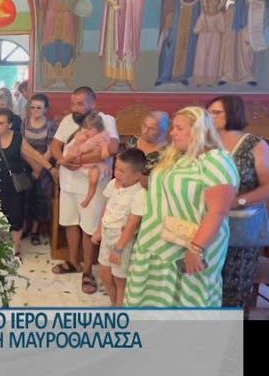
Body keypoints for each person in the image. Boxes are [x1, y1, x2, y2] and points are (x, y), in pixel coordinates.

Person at [125, 107, 239, 307]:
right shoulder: (179, 156)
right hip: (158, 243)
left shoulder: (216, 161)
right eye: (173, 127)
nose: (172, 133)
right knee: (154, 300)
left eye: (179, 128)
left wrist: (195, 249)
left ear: (199, 130)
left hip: (193, 246)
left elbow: (218, 212)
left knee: (187, 301)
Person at [50, 86, 119, 296]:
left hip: (93, 185)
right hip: (68, 182)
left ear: (93, 103)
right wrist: (62, 160)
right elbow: (55, 146)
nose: (75, 108)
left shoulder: (106, 120)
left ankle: (88, 270)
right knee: (70, 222)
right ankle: (73, 261)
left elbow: (112, 149)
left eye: (80, 104)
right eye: (73, 103)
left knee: (89, 228)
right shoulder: (67, 121)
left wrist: (78, 159)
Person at [207, 95, 269, 313]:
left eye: (216, 112)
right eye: (208, 113)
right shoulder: (205, 143)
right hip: (208, 223)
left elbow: (267, 186)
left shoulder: (254, 144)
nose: (210, 117)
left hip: (241, 226)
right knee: (206, 285)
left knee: (234, 289)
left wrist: (237, 201)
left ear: (233, 113)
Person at [0, 108, 56, 256]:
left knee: (15, 217)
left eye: (1, 123)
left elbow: (35, 155)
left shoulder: (18, 138)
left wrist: (50, 168)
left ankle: (15, 249)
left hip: (13, 186)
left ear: (10, 124)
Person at [92, 149, 148, 306]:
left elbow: (132, 224)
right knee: (104, 273)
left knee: (119, 278)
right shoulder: (113, 184)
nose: (117, 173)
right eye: (116, 168)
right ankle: (114, 303)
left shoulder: (139, 194)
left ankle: (119, 308)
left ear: (137, 175)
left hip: (121, 241)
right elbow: (107, 208)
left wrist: (119, 248)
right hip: (107, 235)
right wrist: (99, 229)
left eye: (122, 171)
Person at [99, 0, 145, 91]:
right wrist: (113, 3)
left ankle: (129, 78)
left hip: (129, 15)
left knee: (127, 43)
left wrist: (131, 0)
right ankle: (113, 77)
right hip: (115, 14)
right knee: (113, 44)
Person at [21, 93, 58, 245]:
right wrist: (33, 166)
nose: (35, 110)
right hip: (26, 164)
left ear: (45, 109)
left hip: (44, 165)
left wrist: (39, 168)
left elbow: (51, 149)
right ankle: (24, 227)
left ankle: (35, 231)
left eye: (38, 108)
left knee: (40, 198)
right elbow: (22, 147)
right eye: (32, 107)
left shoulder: (51, 125)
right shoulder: (24, 123)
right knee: (24, 197)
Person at [62, 112, 112, 209]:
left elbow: (104, 145)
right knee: (70, 154)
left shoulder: (100, 136)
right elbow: (76, 143)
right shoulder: (83, 134)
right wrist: (79, 139)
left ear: (98, 129)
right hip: (80, 156)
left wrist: (104, 150)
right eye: (86, 128)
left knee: (94, 178)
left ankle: (89, 197)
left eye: (91, 129)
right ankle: (64, 161)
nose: (87, 131)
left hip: (94, 164)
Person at [124, 111, 170, 188]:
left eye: (152, 129)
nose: (145, 131)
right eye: (144, 125)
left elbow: (162, 182)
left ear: (163, 131)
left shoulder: (168, 152)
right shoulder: (132, 141)